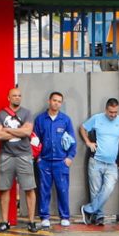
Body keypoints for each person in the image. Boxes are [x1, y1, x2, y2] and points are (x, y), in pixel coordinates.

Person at [33, 90, 80, 228]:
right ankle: (44, 217)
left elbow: (72, 140)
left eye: (59, 101)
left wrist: (70, 157)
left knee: (63, 189)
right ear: (49, 101)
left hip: (61, 161)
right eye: (54, 100)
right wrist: (38, 157)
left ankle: (65, 216)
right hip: (44, 161)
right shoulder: (40, 119)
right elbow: (35, 140)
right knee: (44, 189)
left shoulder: (65, 120)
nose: (56, 103)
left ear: (61, 103)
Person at [79, 96, 119, 227]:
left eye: (115, 112)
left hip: (112, 163)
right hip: (96, 161)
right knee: (95, 191)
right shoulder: (97, 118)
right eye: (111, 112)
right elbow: (82, 128)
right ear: (106, 110)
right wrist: (88, 142)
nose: (113, 115)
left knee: (108, 188)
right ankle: (99, 216)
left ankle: (88, 209)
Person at [0, 87, 35, 231]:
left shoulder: (27, 113)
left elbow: (28, 131)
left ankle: (31, 221)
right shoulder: (0, 115)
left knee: (29, 188)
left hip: (24, 155)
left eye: (19, 96)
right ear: (8, 98)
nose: (17, 98)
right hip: (7, 155)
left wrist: (7, 130)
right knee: (4, 189)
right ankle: (5, 221)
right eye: (14, 96)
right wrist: (19, 132)